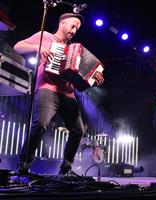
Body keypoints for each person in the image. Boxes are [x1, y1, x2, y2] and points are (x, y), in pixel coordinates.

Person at [13, 13, 104, 176]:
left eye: (77, 28)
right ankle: (23, 163)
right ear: (62, 23)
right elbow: (18, 46)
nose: (74, 30)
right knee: (40, 124)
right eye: (73, 26)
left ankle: (66, 169)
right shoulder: (45, 36)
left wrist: (93, 78)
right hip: (47, 87)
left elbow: (81, 79)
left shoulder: (73, 49)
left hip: (68, 94)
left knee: (78, 131)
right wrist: (38, 47)